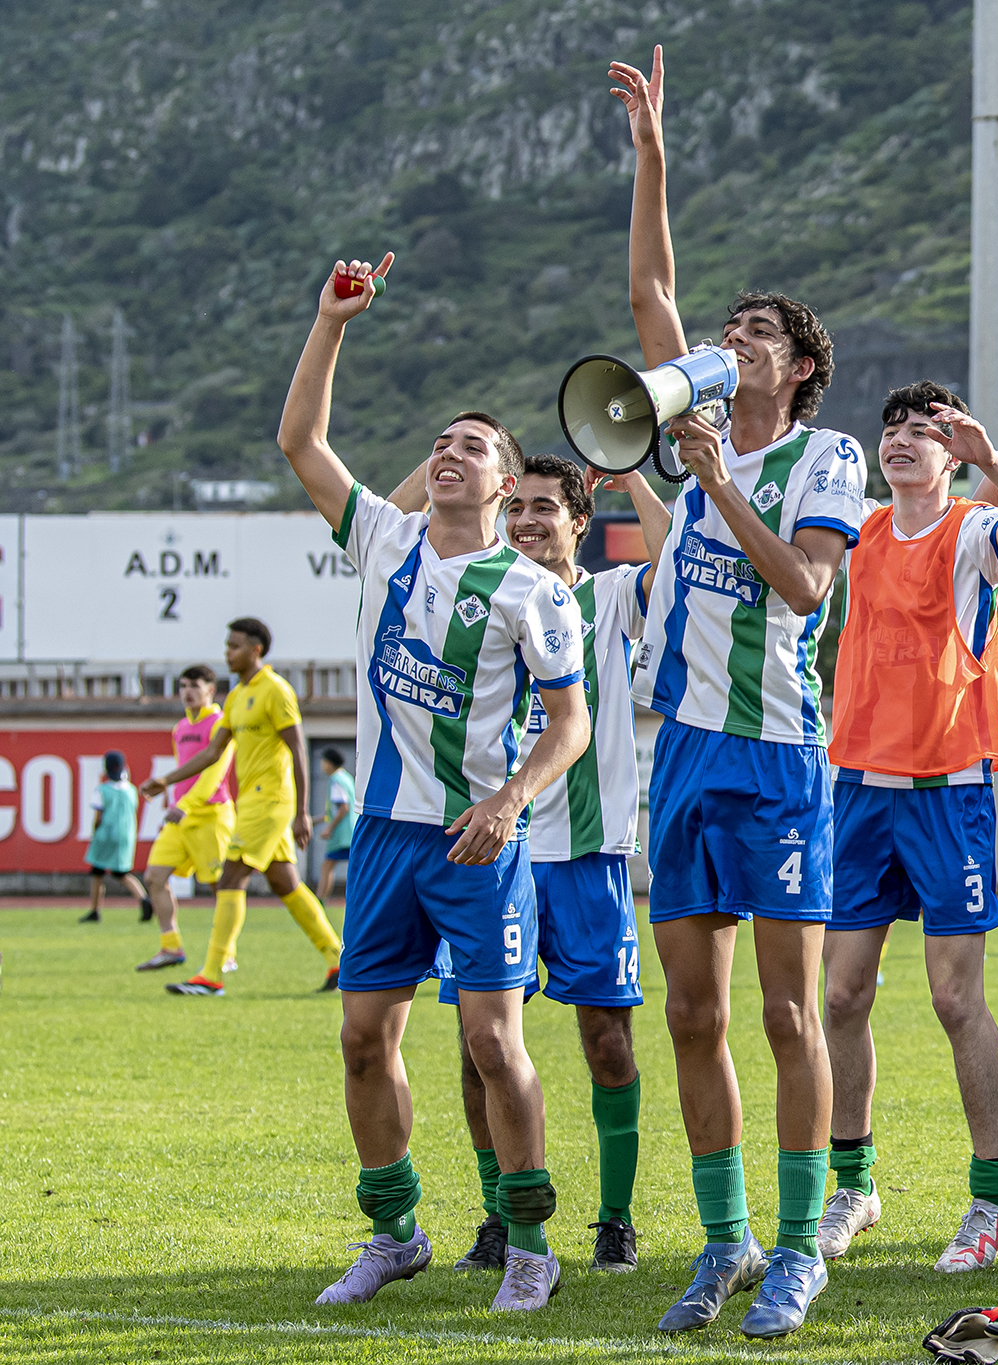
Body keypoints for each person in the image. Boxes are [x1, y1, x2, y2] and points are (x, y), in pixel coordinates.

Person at [278, 251, 592, 1312]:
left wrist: (509, 801)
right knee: (362, 1038)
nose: (448, 454)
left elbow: (571, 725)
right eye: (440, 444)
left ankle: (531, 1242)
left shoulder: (530, 590)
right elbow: (300, 444)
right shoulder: (383, 541)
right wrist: (333, 323)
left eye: (472, 447)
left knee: (493, 1042)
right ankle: (393, 1231)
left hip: (475, 841)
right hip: (383, 837)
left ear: (507, 485)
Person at [615, 50, 867, 1339]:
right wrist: (655, 149)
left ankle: (801, 1243)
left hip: (778, 757)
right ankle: (722, 1242)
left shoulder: (827, 453)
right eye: (730, 330)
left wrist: (712, 483)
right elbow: (651, 286)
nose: (729, 341)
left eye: (756, 335)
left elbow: (805, 593)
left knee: (783, 1011)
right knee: (694, 1012)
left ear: (797, 369)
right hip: (686, 755)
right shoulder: (696, 405)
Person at [390, 450, 672, 1276]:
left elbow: (676, 563)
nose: (529, 523)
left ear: (580, 522)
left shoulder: (608, 593)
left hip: (584, 857)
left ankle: (615, 1220)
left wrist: (634, 482)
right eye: (521, 508)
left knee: (607, 1042)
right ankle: (500, 1216)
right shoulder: (477, 593)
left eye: (548, 508)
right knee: (480, 1047)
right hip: (483, 850)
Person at [817, 381, 998, 1273]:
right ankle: (854, 1182)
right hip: (857, 787)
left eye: (924, 430)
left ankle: (995, 1197)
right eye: (893, 427)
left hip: (945, 791)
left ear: (953, 451)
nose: (902, 440)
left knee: (955, 998)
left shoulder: (968, 530)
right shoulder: (857, 533)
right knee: (840, 996)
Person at [142, 619, 345, 996]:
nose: (226, 652)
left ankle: (212, 974)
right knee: (286, 882)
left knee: (231, 876)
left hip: (271, 801)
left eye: (234, 646)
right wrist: (166, 780)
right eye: (226, 645)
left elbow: (298, 749)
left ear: (256, 650)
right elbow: (213, 752)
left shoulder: (275, 691)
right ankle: (339, 959)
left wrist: (302, 810)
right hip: (250, 801)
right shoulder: (235, 697)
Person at [137, 665, 237, 972]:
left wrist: (188, 803)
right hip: (181, 816)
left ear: (210, 689)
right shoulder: (179, 728)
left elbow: (214, 771)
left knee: (219, 886)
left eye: (194, 685)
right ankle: (170, 947)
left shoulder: (220, 723)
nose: (187, 691)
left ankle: (226, 953)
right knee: (154, 878)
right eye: (182, 686)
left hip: (210, 815)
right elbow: (185, 770)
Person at [81, 752, 148, 924]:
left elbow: (98, 816)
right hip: (126, 835)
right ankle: (143, 899)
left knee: (97, 872)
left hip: (106, 835)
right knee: (122, 873)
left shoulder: (102, 790)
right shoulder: (131, 790)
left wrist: (95, 831)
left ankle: (95, 910)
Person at [317, 749, 355, 906]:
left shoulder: (336, 780)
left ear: (329, 762)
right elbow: (333, 811)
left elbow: (343, 808)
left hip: (342, 834)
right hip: (352, 831)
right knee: (354, 867)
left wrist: (329, 829)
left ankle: (319, 902)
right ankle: (354, 901)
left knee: (327, 866)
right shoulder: (347, 777)